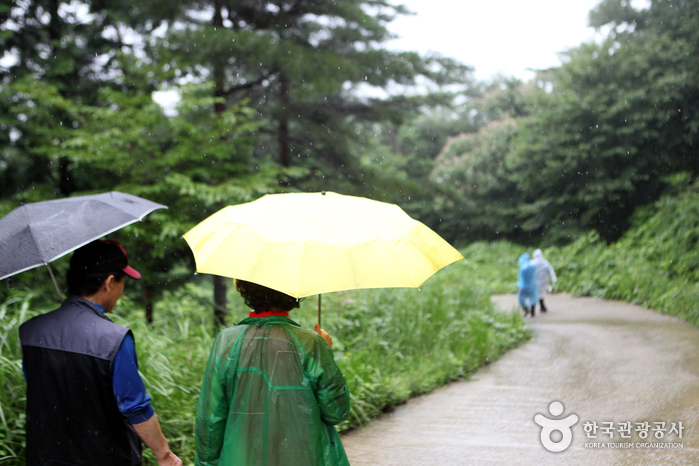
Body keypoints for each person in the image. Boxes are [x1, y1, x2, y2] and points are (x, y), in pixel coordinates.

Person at [19, 240, 182, 466]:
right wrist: (165, 456)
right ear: (109, 282)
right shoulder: (114, 339)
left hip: (44, 457)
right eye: (122, 281)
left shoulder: (30, 331)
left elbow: (39, 386)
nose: (122, 290)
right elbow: (135, 407)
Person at [195, 279, 351, 466]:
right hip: (304, 455)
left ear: (247, 290)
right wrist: (325, 352)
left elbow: (211, 417)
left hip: (240, 457)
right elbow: (336, 411)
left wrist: (206, 462)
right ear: (292, 294)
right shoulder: (311, 343)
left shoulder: (226, 341)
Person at [531, 249, 557, 313]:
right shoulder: (545, 263)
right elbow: (550, 272)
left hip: (534, 282)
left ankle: (533, 310)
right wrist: (551, 281)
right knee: (541, 294)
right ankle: (542, 307)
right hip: (543, 282)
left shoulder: (531, 263)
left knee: (534, 295)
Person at [517, 252, 538, 317]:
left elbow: (521, 278)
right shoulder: (533, 267)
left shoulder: (523, 268)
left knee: (521, 299)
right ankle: (533, 312)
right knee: (533, 298)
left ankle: (526, 310)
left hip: (524, 286)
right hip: (532, 285)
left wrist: (521, 286)